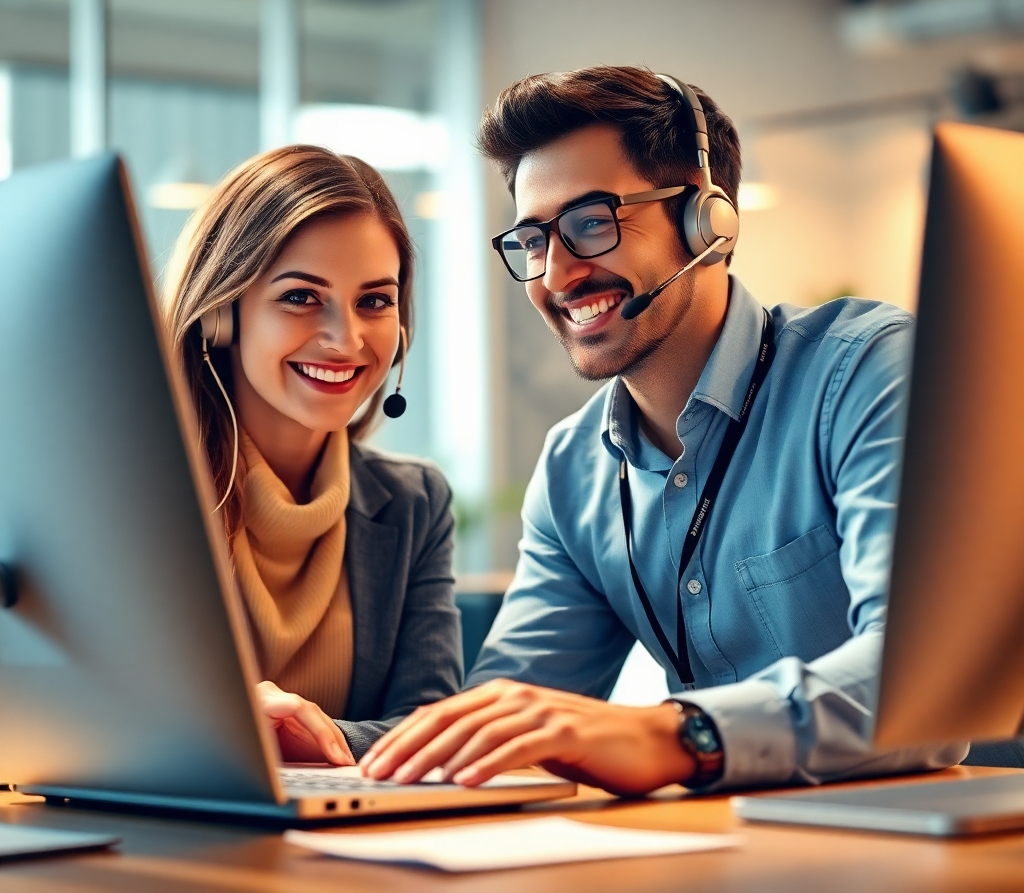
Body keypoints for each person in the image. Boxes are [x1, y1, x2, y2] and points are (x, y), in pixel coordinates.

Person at [361, 66, 967, 794]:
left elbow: (926, 691)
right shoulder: (575, 470)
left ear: (706, 218)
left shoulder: (866, 373)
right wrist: (308, 741)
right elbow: (502, 725)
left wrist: (677, 733)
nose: (557, 274)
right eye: (533, 240)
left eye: (590, 223)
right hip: (715, 849)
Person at [165, 145, 461, 765]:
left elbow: (429, 724)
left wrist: (309, 737)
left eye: (375, 301)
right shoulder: (141, 488)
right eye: (301, 296)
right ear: (223, 312)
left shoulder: (415, 503)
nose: (345, 339)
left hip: (346, 848)